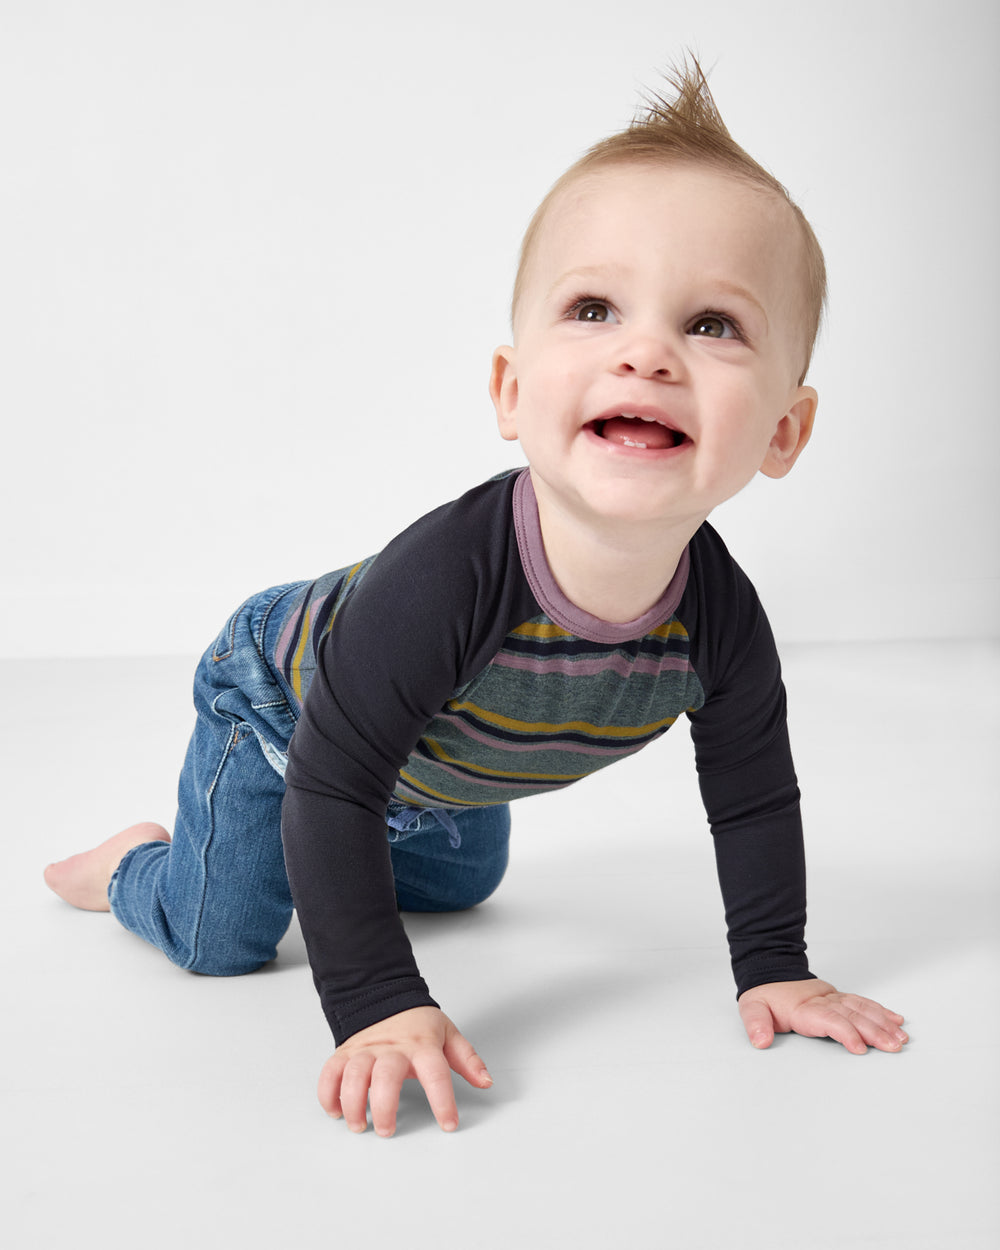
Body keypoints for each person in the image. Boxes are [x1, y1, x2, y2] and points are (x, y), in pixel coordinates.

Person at [44, 62, 909, 1137]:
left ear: (784, 429)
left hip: (436, 764)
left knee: (461, 886)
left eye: (713, 325)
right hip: (289, 719)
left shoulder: (720, 621)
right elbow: (334, 777)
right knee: (223, 939)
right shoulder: (451, 577)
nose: (645, 351)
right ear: (511, 389)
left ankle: (377, 836)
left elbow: (750, 797)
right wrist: (378, 1001)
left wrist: (775, 965)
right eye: (593, 307)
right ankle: (135, 864)